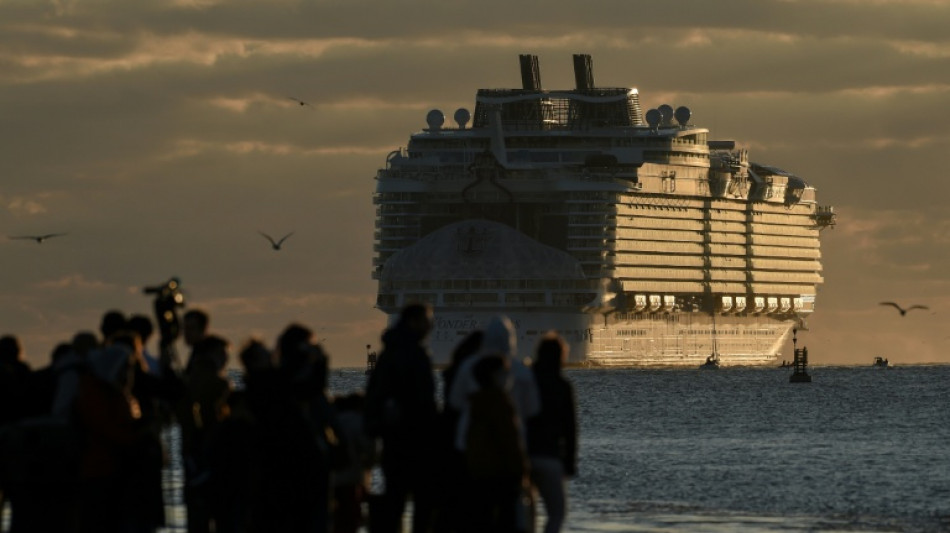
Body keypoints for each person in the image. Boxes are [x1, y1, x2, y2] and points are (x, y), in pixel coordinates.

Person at [363, 303, 439, 533]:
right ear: (414, 322)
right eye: (427, 321)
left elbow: (374, 395)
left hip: (392, 442)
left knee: (394, 499)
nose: (430, 326)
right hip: (416, 442)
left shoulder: (389, 353)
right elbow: (424, 402)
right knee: (423, 503)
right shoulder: (415, 354)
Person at [463, 355, 528, 533]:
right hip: (502, 477)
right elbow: (510, 440)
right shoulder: (501, 403)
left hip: (478, 476)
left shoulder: (472, 403)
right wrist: (521, 470)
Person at [526, 333, 578, 533]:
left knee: (527, 511)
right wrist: (570, 463)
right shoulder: (562, 386)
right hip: (550, 456)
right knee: (556, 513)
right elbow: (570, 428)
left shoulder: (525, 381)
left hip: (526, 456)